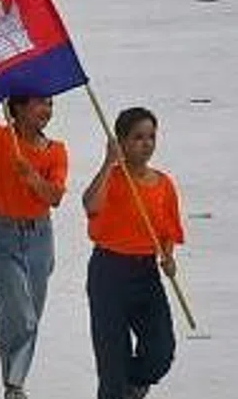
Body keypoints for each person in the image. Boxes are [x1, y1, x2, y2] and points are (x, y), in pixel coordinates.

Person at [0, 96, 69, 399]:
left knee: (30, 317)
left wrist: (32, 177)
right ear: (19, 109)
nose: (47, 110)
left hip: (39, 237)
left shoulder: (57, 151)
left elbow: (55, 197)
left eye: (50, 104)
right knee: (23, 317)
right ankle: (14, 385)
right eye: (40, 103)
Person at [83, 106, 185, 399]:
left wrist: (168, 257)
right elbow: (90, 206)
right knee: (112, 363)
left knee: (160, 353)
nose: (147, 143)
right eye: (138, 137)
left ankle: (131, 386)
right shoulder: (112, 178)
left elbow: (168, 232)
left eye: (151, 136)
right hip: (108, 273)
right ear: (122, 141)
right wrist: (107, 163)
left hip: (145, 274)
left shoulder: (164, 184)